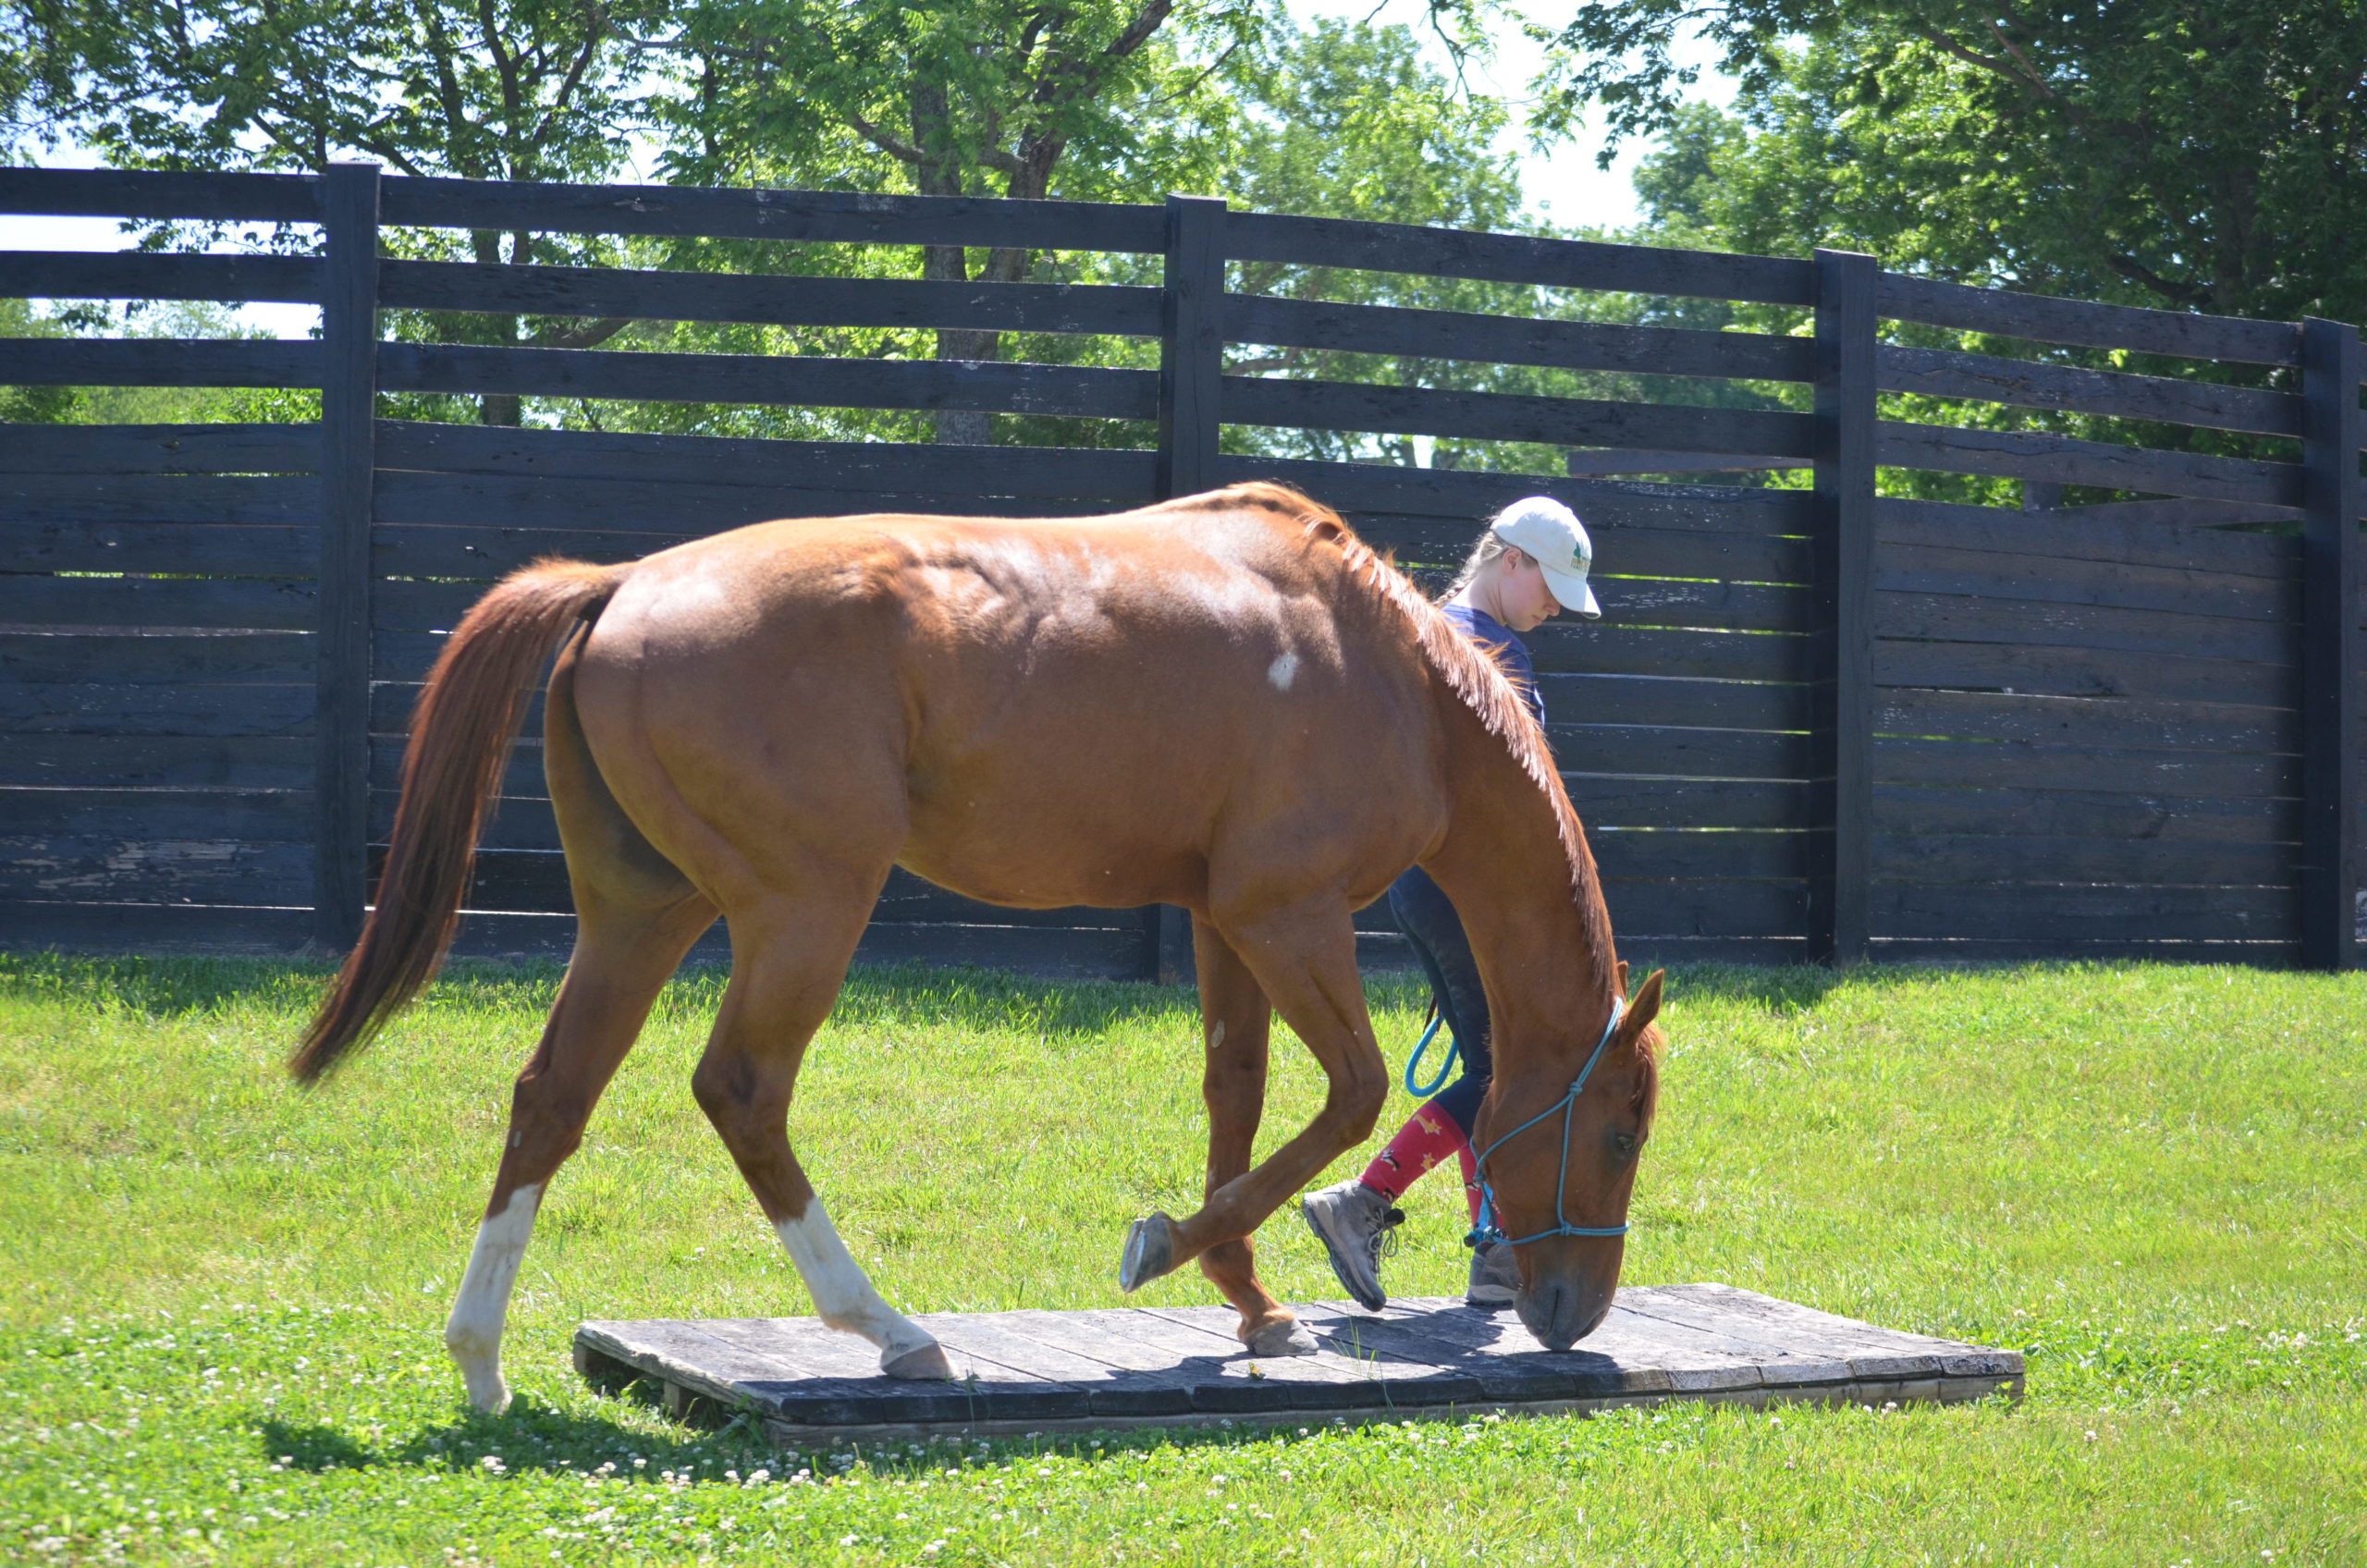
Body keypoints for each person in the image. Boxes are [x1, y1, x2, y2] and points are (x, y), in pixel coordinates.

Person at [1300, 496, 1601, 1311]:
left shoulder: (1434, 633)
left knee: (1485, 1065)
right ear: (1510, 560)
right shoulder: (1482, 647)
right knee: (1508, 1073)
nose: (1552, 610)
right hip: (1464, 893)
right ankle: (1361, 1205)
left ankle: (1493, 1260)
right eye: (1549, 589)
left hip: (1423, 889)